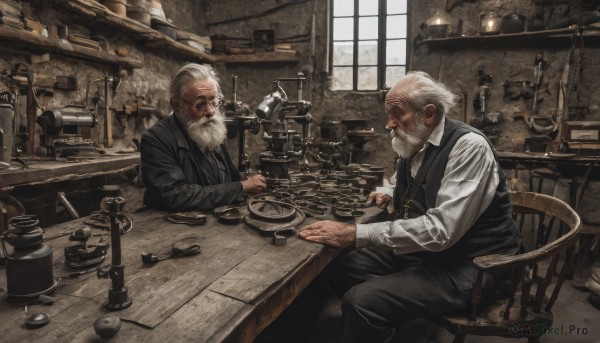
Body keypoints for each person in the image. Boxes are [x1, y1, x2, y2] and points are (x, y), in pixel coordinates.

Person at [299, 71, 522, 343]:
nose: (388, 124)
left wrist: (354, 234)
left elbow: (441, 231)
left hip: (470, 267)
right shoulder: (416, 140)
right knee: (339, 264)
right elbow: (404, 181)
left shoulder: (469, 147)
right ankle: (390, 318)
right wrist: (386, 192)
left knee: (361, 301)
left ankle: (375, 313)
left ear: (428, 114)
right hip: (426, 256)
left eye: (396, 114)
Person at [140, 63, 267, 212]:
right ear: (176, 105)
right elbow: (178, 196)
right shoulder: (156, 140)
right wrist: (242, 187)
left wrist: (250, 180)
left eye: (214, 102)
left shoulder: (210, 129)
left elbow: (227, 177)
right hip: (173, 228)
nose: (211, 111)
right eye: (200, 105)